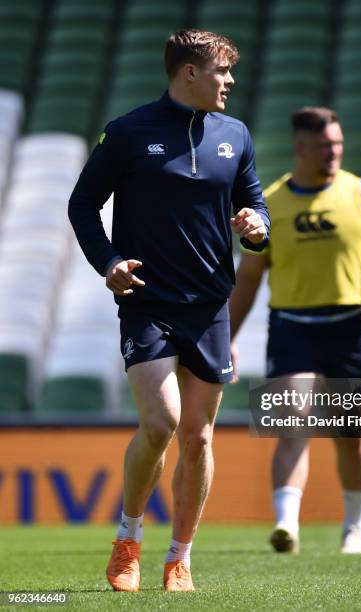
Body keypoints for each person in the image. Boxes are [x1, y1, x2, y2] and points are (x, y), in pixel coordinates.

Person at [68, 29, 269, 592]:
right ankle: (127, 539)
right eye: (221, 72)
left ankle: (179, 557)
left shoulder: (236, 134)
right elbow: (83, 203)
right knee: (161, 423)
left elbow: (253, 202)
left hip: (210, 305)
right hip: (147, 301)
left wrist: (258, 228)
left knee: (199, 439)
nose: (229, 82)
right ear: (189, 73)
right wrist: (107, 261)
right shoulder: (129, 132)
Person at [229, 107, 361, 555]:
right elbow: (250, 278)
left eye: (337, 144)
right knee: (292, 420)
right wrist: (228, 337)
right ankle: (286, 525)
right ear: (300, 149)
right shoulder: (270, 204)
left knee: (351, 434)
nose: (334, 152)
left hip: (351, 329)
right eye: (324, 146)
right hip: (293, 327)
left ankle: (355, 527)